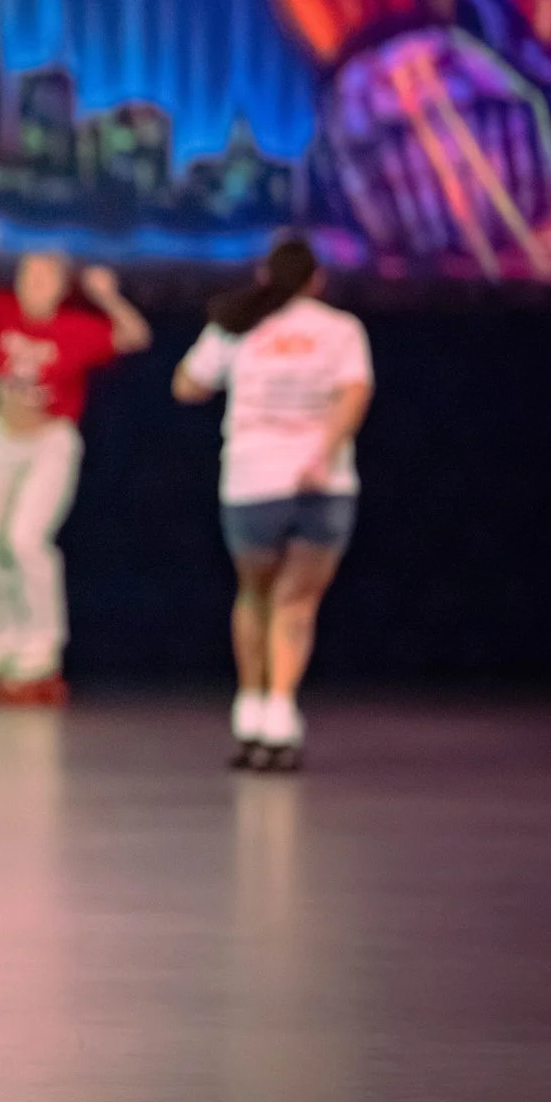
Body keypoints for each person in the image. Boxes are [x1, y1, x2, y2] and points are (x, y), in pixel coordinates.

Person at [173, 238, 371, 769]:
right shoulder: (341, 330)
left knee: (254, 596)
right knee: (296, 603)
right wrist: (321, 455)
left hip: (252, 483)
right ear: (317, 280)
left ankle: (252, 710)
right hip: (323, 486)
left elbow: (187, 386)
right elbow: (354, 395)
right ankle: (280, 715)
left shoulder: (234, 324)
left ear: (264, 275)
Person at [0, 220, 152, 701]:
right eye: (26, 276)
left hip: (50, 444)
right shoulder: (3, 312)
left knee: (26, 540)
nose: (31, 286)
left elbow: (136, 336)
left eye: (43, 278)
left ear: (59, 287)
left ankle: (42, 644)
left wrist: (107, 296)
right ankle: (0, 638)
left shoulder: (76, 330)